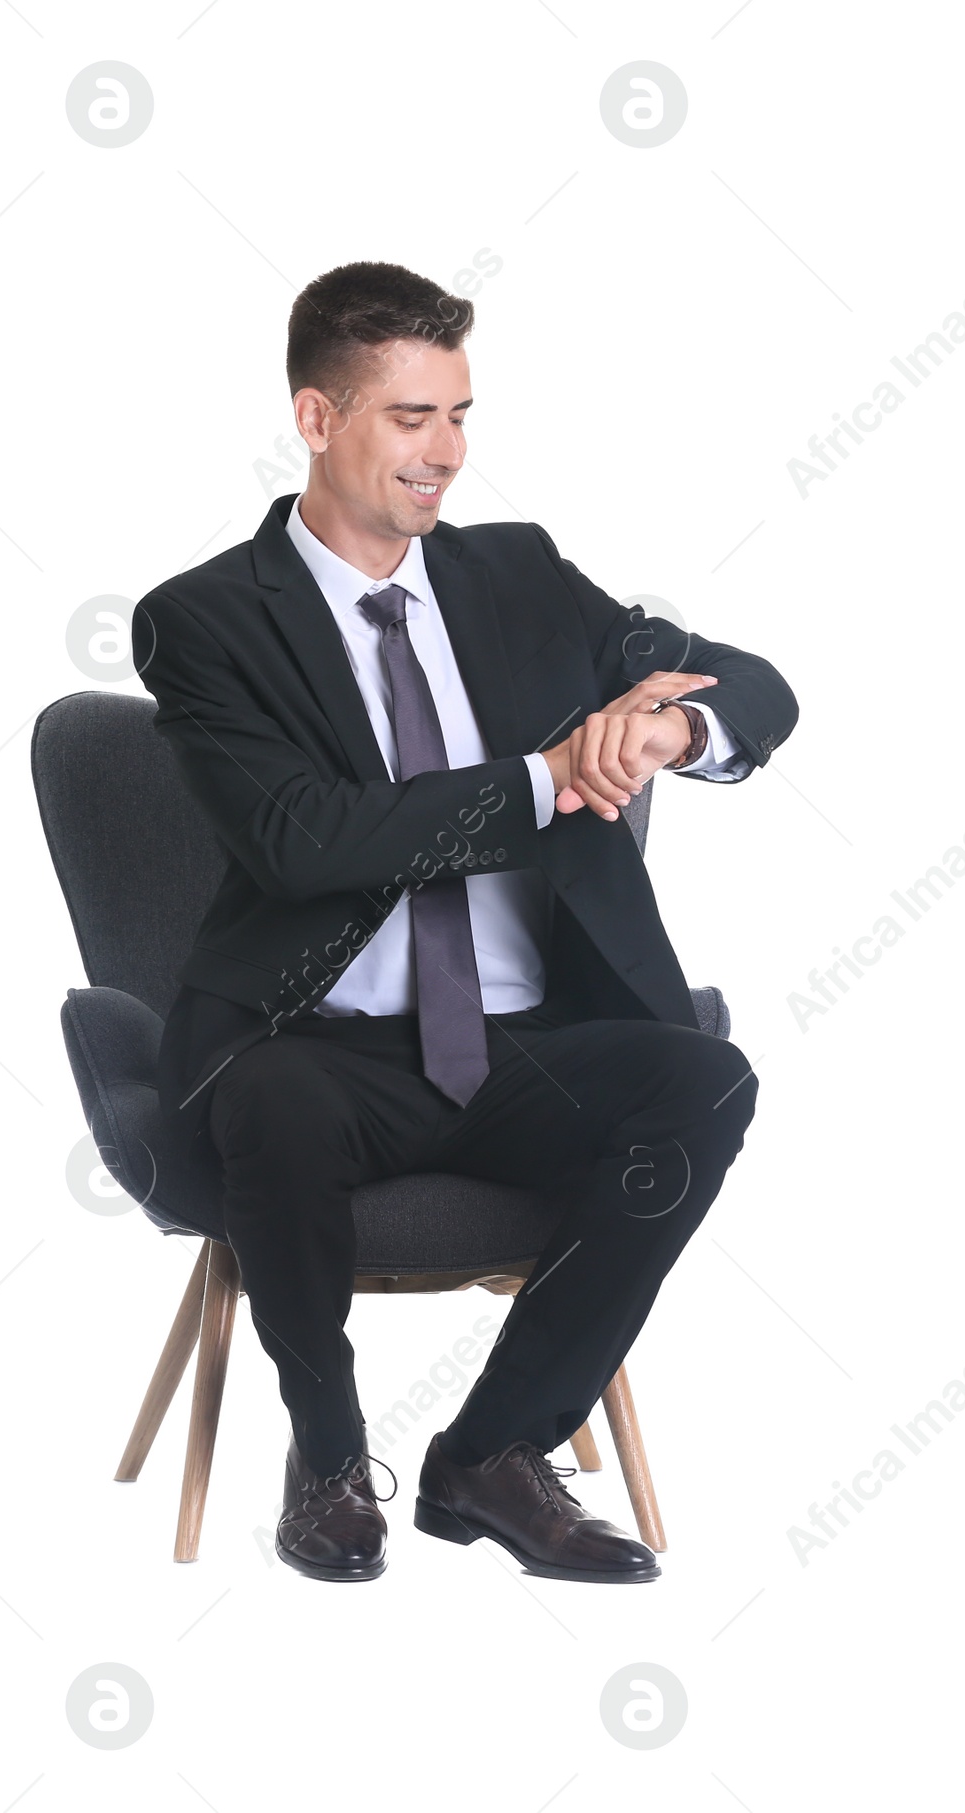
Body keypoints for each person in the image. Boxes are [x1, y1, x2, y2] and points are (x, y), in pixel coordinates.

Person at [130, 261, 798, 1583]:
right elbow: (306, 837)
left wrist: (667, 723)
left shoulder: (522, 576)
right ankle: (327, 1464)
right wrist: (548, 779)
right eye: (409, 419)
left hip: (520, 1038)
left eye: (459, 415)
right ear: (317, 418)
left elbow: (756, 688)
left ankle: (493, 1454)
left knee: (705, 1084)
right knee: (275, 1103)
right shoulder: (205, 621)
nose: (446, 455)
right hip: (317, 1039)